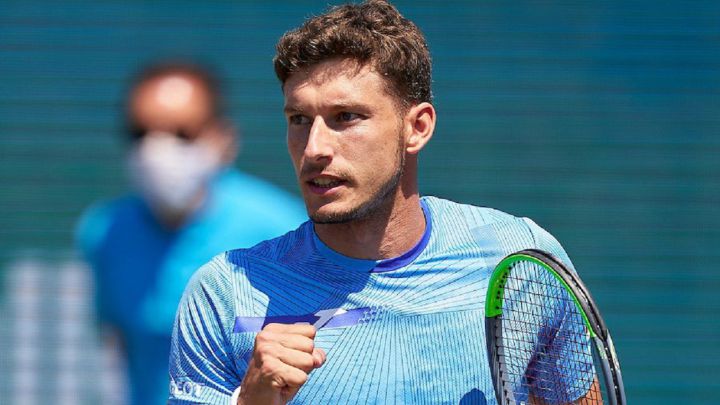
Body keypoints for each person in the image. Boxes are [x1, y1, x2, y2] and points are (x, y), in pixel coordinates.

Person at [168, 2, 596, 404]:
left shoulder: (522, 259)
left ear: (417, 127)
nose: (314, 146)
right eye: (299, 119)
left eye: (346, 117)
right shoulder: (224, 293)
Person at [76, 62, 307, 405]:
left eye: (182, 133)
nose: (156, 152)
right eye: (140, 133)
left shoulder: (285, 230)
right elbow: (122, 345)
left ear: (223, 139)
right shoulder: (106, 231)